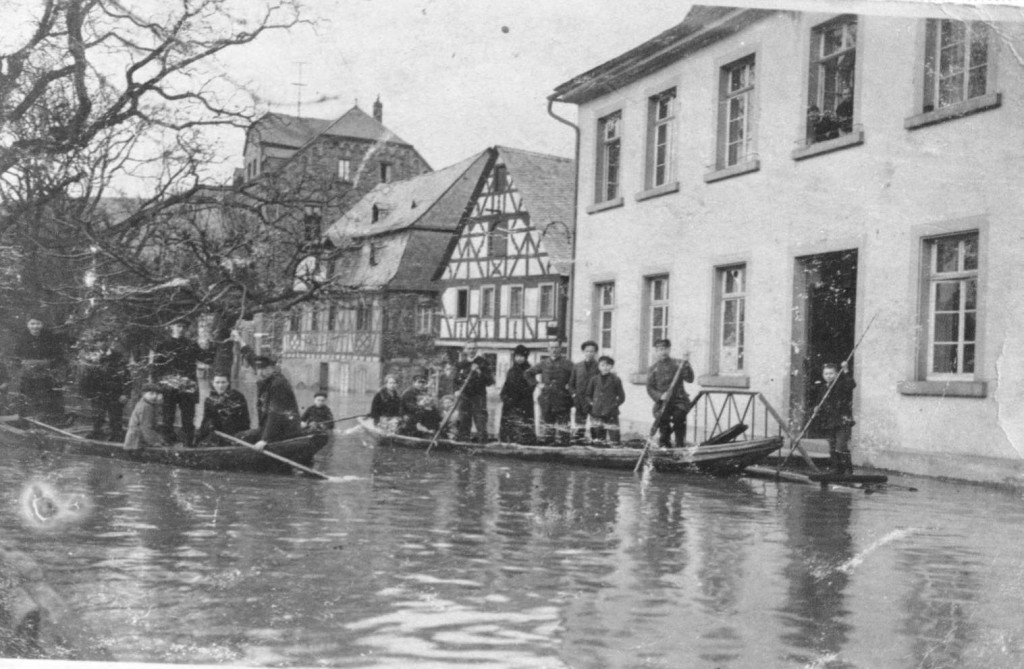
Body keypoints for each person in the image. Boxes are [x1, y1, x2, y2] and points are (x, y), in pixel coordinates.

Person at [230, 330, 302, 451]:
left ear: (272, 368)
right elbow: (250, 355)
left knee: (243, 438)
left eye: (264, 369)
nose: (260, 373)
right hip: (269, 428)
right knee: (239, 437)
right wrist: (239, 340)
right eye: (258, 370)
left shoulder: (278, 384)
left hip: (283, 430)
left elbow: (275, 414)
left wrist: (265, 439)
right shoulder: (264, 376)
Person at [151, 317, 214, 447]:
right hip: (169, 386)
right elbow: (156, 367)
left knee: (188, 416)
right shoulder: (163, 345)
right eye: (178, 326)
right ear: (171, 327)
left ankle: (188, 442)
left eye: (183, 327)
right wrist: (158, 384)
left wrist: (212, 343)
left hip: (187, 386)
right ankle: (167, 442)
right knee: (168, 416)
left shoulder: (191, 344)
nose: (181, 329)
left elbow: (207, 358)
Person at [13, 315, 67, 422]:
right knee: (28, 394)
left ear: (42, 325)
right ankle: (26, 419)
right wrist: (25, 365)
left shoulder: (49, 338)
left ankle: (49, 419)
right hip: (28, 373)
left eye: (38, 323)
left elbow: (58, 355)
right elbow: (16, 357)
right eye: (32, 324)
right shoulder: (22, 338)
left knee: (48, 394)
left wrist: (48, 365)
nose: (35, 326)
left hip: (46, 372)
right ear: (28, 325)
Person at [79, 336, 131, 442]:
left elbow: (126, 376)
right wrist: (86, 391)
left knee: (115, 415)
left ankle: (117, 435)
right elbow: (85, 374)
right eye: (97, 341)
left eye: (103, 340)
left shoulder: (117, 356)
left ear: (108, 341)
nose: (100, 343)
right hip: (98, 391)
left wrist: (126, 393)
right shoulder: (90, 356)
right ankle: (97, 432)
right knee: (97, 413)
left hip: (115, 391)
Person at [646, 339, 694, 448]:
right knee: (663, 421)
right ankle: (665, 445)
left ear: (669, 350)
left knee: (679, 418)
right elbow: (650, 388)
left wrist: (686, 364)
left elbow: (690, 379)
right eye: (660, 349)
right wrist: (660, 396)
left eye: (666, 349)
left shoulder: (678, 364)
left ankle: (680, 445)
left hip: (679, 400)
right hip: (663, 402)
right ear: (656, 351)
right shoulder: (653, 369)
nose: (663, 352)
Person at [528, 341, 575, 446]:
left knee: (563, 425)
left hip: (563, 398)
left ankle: (564, 445)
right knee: (547, 423)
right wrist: (538, 384)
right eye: (552, 347)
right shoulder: (543, 363)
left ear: (560, 349)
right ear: (548, 349)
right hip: (547, 398)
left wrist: (570, 387)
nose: (554, 350)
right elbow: (528, 373)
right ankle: (548, 445)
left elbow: (576, 377)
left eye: (556, 347)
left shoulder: (568, 363)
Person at [814, 361, 857, 474]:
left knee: (841, 445)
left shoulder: (841, 384)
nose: (828, 376)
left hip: (843, 420)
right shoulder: (823, 388)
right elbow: (820, 402)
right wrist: (817, 408)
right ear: (823, 375)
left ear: (837, 374)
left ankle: (848, 470)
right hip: (829, 421)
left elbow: (851, 385)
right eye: (826, 374)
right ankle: (837, 469)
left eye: (831, 373)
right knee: (832, 445)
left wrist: (846, 370)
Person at [454, 341, 494, 443]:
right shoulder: (460, 364)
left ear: (476, 349)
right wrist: (456, 390)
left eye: (473, 348)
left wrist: (479, 372)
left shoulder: (483, 363)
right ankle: (463, 442)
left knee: (480, 420)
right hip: (464, 396)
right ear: (465, 350)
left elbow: (490, 381)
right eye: (469, 348)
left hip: (479, 396)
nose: (471, 350)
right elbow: (455, 380)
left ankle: (482, 443)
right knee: (463, 420)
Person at [195, 372, 251, 445]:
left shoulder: (236, 397)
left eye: (223, 382)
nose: (220, 386)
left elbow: (237, 419)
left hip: (235, 432)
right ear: (212, 383)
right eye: (217, 382)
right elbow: (206, 418)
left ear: (228, 383)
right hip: (217, 432)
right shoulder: (209, 399)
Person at [585, 355, 626, 446]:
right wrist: (592, 403)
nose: (605, 367)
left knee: (614, 439)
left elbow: (622, 397)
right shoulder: (594, 379)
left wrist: (614, 405)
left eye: (608, 365)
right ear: (599, 367)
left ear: (611, 366)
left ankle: (614, 455)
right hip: (597, 412)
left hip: (611, 412)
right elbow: (588, 395)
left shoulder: (616, 380)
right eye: (602, 365)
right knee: (598, 439)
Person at [499, 344, 536, 444]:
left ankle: (524, 445)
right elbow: (506, 385)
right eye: (517, 356)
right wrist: (503, 396)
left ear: (525, 357)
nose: (519, 359)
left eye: (522, 356)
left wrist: (517, 397)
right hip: (509, 403)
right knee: (508, 425)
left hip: (523, 403)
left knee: (523, 426)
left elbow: (531, 386)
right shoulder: (511, 370)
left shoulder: (529, 370)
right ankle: (507, 443)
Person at [124, 383, 172, 450]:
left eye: (156, 394)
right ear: (143, 394)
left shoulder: (147, 404)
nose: (154, 396)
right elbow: (145, 426)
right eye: (151, 393)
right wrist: (154, 442)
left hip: (140, 438)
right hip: (138, 441)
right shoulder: (146, 407)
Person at [568, 340, 600, 441]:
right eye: (587, 351)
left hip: (593, 400)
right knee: (579, 423)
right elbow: (570, 384)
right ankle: (578, 443)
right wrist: (574, 395)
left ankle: (595, 442)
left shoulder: (599, 366)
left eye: (592, 351)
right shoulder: (577, 366)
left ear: (595, 352)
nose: (589, 353)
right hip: (580, 399)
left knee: (595, 423)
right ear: (583, 352)